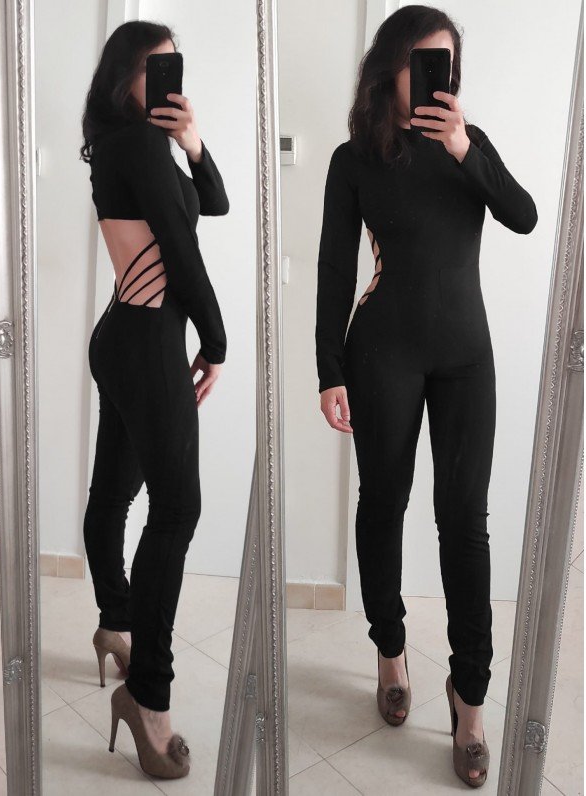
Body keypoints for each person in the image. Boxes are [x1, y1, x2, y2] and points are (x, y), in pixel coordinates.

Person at [315, 6, 537, 788]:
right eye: (423, 61)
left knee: (464, 523)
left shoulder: (469, 147)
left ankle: (469, 700)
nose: (437, 77)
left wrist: (466, 148)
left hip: (467, 357)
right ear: (392, 68)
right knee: (383, 504)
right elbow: (334, 268)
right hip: (384, 353)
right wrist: (329, 370)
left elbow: (523, 215)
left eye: (447, 64)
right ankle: (390, 648)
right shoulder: (354, 159)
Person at [80, 21, 229, 779]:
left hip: (124, 336)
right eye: (157, 67)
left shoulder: (130, 144)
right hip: (145, 343)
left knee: (115, 496)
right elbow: (182, 247)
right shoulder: (137, 146)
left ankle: (117, 623)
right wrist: (218, 340)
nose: (172, 77)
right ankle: (149, 696)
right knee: (176, 509)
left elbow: (214, 202)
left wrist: (193, 142)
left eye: (177, 65)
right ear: (124, 77)